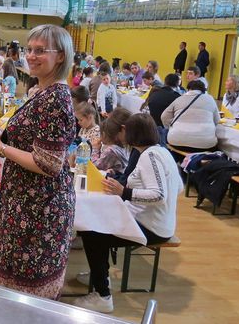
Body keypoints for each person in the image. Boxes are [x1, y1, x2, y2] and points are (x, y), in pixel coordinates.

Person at [0, 24, 76, 299]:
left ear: (62, 56)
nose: (30, 55)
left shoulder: (55, 99)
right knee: (15, 290)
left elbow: (48, 164)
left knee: (28, 297)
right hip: (24, 205)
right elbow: (24, 140)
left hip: (39, 211)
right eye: (29, 49)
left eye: (40, 51)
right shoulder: (42, 92)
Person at [75, 113, 183, 313]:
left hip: (152, 227)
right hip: (155, 222)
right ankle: (100, 275)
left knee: (93, 233)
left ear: (130, 132)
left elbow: (159, 195)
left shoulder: (149, 156)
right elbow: (178, 188)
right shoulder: (160, 152)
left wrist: (125, 192)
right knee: (98, 224)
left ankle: (103, 294)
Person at [161, 80, 219, 151]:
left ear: (188, 89)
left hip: (176, 141)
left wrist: (171, 127)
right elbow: (217, 121)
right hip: (205, 144)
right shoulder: (210, 99)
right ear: (203, 91)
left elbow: (164, 117)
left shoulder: (179, 99)